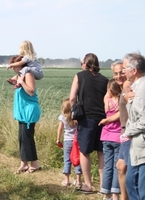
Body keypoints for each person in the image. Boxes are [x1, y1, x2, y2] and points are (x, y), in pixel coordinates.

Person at [69, 53, 108, 193]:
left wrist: (73, 115)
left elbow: (72, 98)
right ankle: (104, 187)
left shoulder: (80, 75)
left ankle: (88, 185)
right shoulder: (105, 80)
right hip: (103, 119)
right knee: (101, 152)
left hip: (86, 118)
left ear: (85, 63)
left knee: (84, 151)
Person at [10, 55, 41, 174]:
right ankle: (24, 163)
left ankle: (34, 164)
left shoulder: (28, 75)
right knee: (22, 137)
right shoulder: (21, 75)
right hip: (23, 110)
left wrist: (21, 82)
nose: (13, 68)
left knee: (27, 137)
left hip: (29, 110)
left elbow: (31, 91)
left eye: (15, 66)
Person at [122, 52, 145, 200]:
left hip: (142, 146)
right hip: (136, 146)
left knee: (139, 188)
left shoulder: (142, 89)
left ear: (134, 70)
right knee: (131, 183)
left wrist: (128, 131)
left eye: (125, 68)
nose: (123, 71)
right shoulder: (135, 87)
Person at [99, 78, 122, 200]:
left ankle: (106, 193)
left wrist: (108, 90)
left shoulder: (107, 101)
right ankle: (115, 194)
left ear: (109, 90)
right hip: (118, 137)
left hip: (106, 136)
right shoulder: (121, 101)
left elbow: (107, 95)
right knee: (116, 166)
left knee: (107, 165)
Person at [56, 98, 82, 187]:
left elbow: (60, 129)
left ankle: (66, 180)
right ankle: (79, 181)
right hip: (76, 141)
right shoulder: (77, 117)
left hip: (67, 141)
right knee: (77, 160)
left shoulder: (62, 117)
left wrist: (58, 139)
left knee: (67, 160)